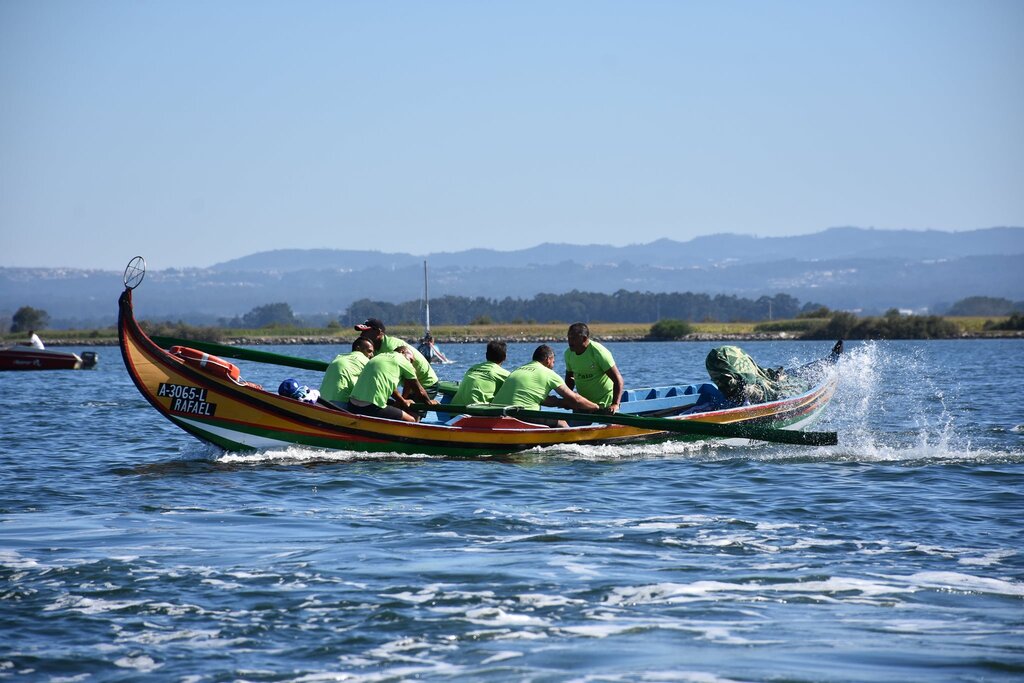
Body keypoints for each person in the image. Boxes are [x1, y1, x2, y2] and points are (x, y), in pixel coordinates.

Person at [490, 344, 599, 428]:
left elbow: (540, 399)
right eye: (553, 362)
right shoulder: (548, 373)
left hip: (498, 413)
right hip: (522, 414)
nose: (553, 366)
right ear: (548, 359)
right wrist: (595, 407)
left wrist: (562, 403)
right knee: (562, 423)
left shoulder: (518, 370)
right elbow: (576, 399)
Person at [345, 346, 438, 422]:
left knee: (392, 406)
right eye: (411, 359)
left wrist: (402, 401)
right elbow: (420, 391)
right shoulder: (404, 361)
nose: (412, 363)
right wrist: (429, 402)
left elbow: (391, 389)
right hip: (370, 407)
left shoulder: (379, 357)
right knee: (411, 420)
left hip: (352, 405)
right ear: (402, 352)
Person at [354, 318, 439, 395]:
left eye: (365, 332)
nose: (361, 335)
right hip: (410, 386)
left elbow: (409, 375)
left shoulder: (392, 348)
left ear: (378, 333)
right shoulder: (372, 348)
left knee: (407, 410)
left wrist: (403, 400)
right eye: (361, 332)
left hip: (426, 385)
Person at [564, 322, 624, 413]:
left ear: (584, 338)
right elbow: (569, 379)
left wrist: (615, 404)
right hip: (584, 404)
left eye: (573, 338)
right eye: (568, 338)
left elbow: (618, 380)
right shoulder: (568, 354)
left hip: (605, 405)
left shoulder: (598, 352)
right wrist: (568, 399)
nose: (569, 341)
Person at [319, 338, 375, 408]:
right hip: (341, 403)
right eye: (369, 351)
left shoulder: (339, 357)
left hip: (322, 401)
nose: (372, 355)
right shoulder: (365, 361)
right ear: (358, 349)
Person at [451, 341, 510, 405]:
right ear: (505, 357)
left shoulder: (472, 368)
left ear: (486, 355)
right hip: (474, 412)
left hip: (454, 410)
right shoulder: (503, 373)